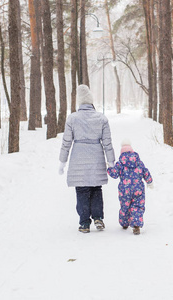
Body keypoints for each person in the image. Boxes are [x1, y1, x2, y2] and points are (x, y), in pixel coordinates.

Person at [58, 85, 115, 233]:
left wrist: (62, 161)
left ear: (79, 103)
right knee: (96, 188)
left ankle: (84, 223)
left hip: (78, 158)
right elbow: (107, 142)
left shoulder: (72, 119)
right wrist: (111, 161)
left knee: (82, 190)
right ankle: (98, 218)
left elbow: (66, 142)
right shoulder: (101, 119)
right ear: (91, 102)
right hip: (96, 157)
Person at [107, 139, 153, 235]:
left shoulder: (120, 163)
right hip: (138, 189)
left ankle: (124, 223)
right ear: (132, 151)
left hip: (124, 190)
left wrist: (109, 168)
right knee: (137, 206)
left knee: (125, 207)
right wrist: (149, 182)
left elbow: (114, 175)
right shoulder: (139, 162)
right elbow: (145, 172)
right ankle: (136, 225)